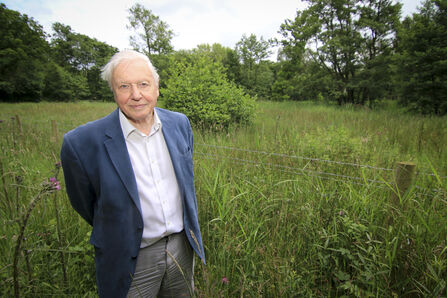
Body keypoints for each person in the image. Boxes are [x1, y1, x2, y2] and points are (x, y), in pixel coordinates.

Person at [60, 49, 205, 297]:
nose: (136, 95)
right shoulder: (81, 142)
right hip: (131, 256)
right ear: (114, 92)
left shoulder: (180, 124)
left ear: (157, 87)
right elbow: (86, 204)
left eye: (143, 84)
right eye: (124, 86)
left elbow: (185, 182)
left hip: (182, 247)